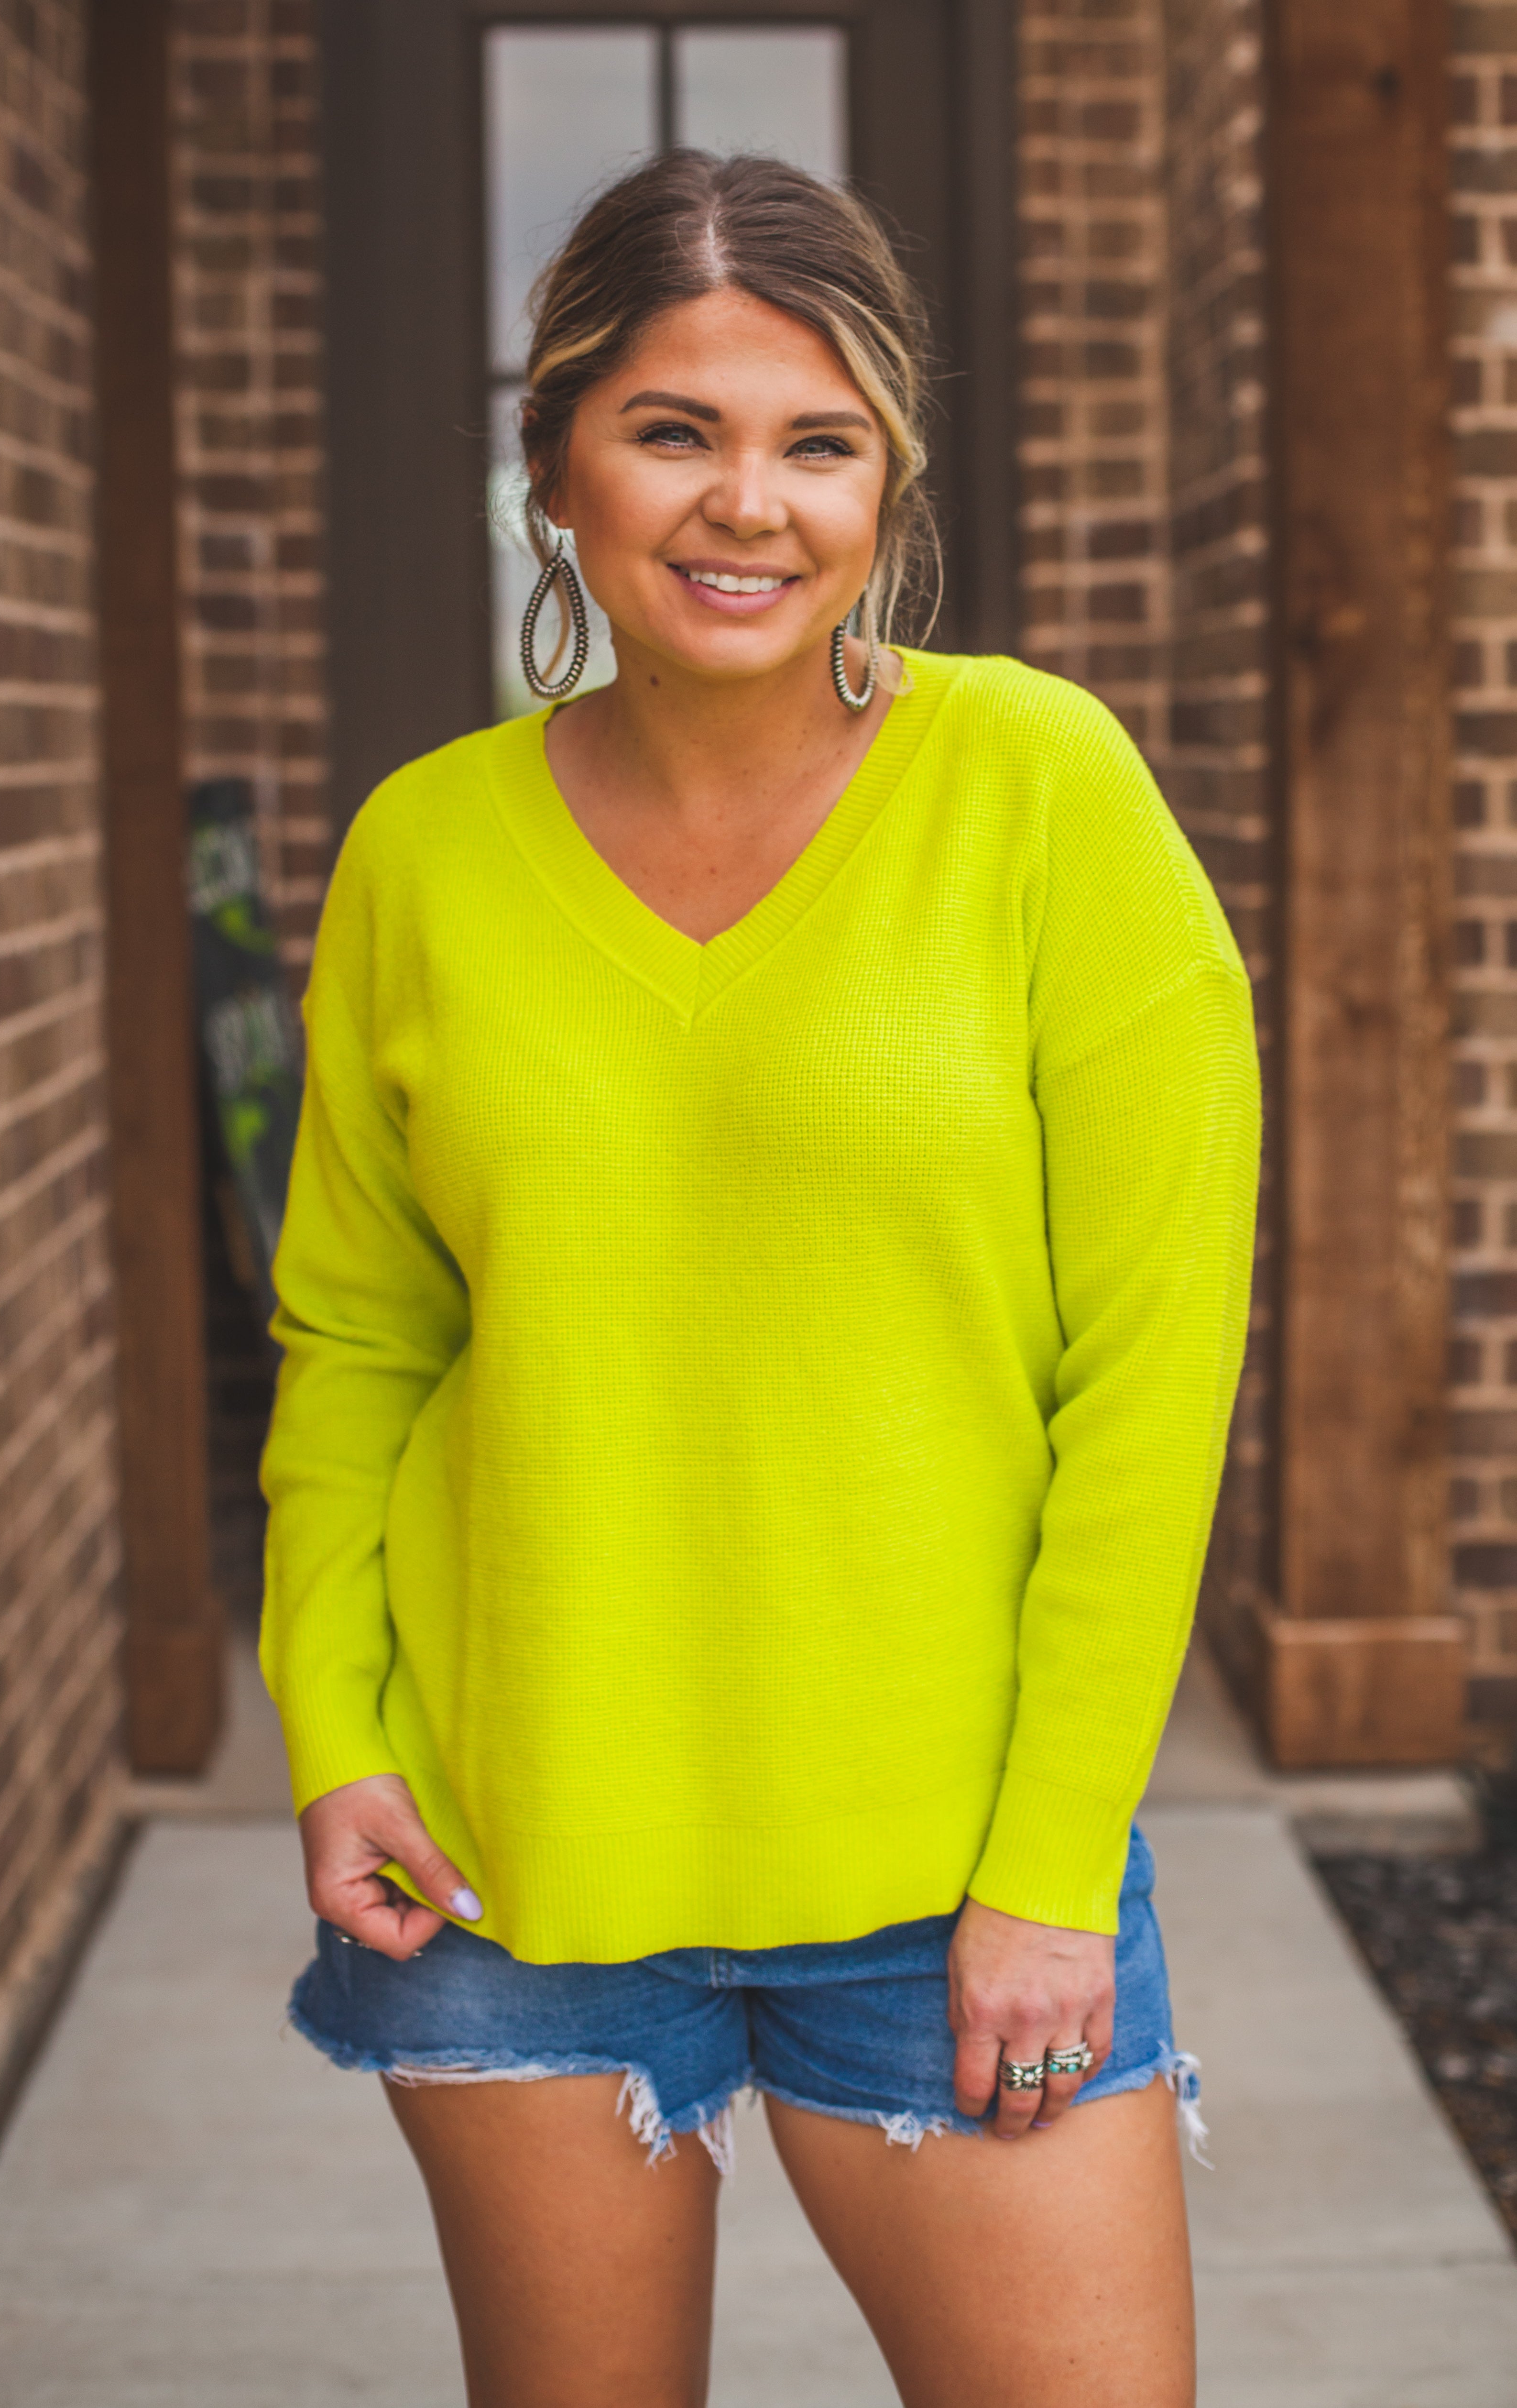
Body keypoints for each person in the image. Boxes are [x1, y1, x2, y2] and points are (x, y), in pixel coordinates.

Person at [260, 149, 1259, 2408]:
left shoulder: (1040, 791)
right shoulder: (423, 849)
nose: (750, 504)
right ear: (557, 467)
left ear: (890, 476)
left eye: (821, 440)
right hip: (512, 1850)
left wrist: (1044, 1868)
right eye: (676, 427)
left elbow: (1156, 1367)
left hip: (952, 1870)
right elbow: (361, 1336)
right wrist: (338, 1730)